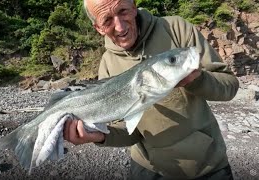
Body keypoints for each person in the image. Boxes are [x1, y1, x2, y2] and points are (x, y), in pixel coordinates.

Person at [64, 0, 239, 179]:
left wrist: (197, 80)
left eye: (123, 11)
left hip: (207, 166)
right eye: (107, 20)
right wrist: (100, 137)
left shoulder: (176, 29)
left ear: (133, 6)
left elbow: (230, 85)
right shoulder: (107, 64)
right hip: (148, 170)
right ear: (98, 28)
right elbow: (130, 131)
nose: (119, 26)